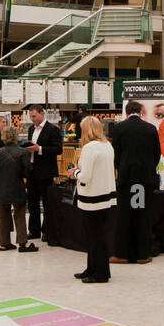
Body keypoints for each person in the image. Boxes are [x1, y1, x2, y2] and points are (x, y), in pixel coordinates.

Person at [112, 99, 162, 264]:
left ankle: (122, 254)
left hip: (127, 179)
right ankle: (143, 254)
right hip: (143, 180)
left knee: (125, 216)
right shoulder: (150, 129)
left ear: (126, 112)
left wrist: (121, 168)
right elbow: (157, 154)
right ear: (141, 112)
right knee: (141, 214)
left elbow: (116, 155)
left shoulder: (119, 128)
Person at [69, 115, 115, 283]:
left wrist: (74, 173)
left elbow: (86, 176)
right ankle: (93, 268)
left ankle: (99, 273)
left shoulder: (90, 148)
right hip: (106, 196)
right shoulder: (107, 145)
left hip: (91, 198)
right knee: (99, 236)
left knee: (94, 237)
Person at [0, 123, 35, 252]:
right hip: (17, 185)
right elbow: (27, 171)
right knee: (20, 213)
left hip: (2, 187)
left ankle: (4, 243)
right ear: (16, 136)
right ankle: (22, 241)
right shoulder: (22, 152)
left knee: (3, 215)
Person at [23, 104, 62, 242]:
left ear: (42, 113)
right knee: (32, 202)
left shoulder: (52, 129)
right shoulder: (31, 129)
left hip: (46, 171)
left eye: (34, 116)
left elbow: (58, 149)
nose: (32, 119)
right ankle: (34, 230)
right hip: (32, 170)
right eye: (30, 116)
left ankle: (47, 231)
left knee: (47, 203)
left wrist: (39, 149)